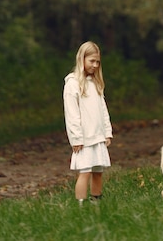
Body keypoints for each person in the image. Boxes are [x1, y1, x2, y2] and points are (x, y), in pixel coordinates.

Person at [63, 41, 113, 205]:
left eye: (97, 62)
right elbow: (72, 114)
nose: (95, 65)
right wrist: (76, 138)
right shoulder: (72, 84)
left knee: (98, 172)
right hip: (84, 138)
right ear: (82, 59)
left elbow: (102, 109)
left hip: (98, 136)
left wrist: (107, 132)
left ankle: (96, 204)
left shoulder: (96, 83)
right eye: (91, 61)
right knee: (84, 172)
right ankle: (81, 207)